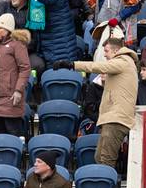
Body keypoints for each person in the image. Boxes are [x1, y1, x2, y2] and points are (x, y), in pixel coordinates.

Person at [56, 37, 138, 168]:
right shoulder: (124, 62)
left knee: (106, 159)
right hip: (112, 118)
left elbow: (99, 66)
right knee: (99, 157)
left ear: (116, 50)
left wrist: (72, 65)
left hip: (116, 119)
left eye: (106, 51)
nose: (104, 55)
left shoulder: (123, 61)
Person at [0, 13, 29, 136]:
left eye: (0, 28)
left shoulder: (18, 44)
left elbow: (25, 69)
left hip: (11, 99)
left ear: (8, 29)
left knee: (12, 136)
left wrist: (18, 91)